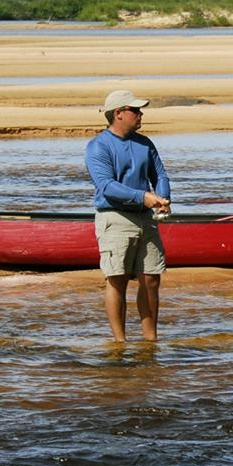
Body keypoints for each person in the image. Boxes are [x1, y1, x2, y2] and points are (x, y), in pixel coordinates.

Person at [85, 90, 172, 342]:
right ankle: (120, 342)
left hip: (145, 217)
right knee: (117, 279)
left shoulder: (145, 143)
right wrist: (143, 197)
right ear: (118, 113)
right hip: (114, 217)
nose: (140, 114)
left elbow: (160, 175)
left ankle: (150, 340)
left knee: (151, 279)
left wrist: (163, 199)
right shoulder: (98, 146)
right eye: (135, 110)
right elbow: (107, 185)